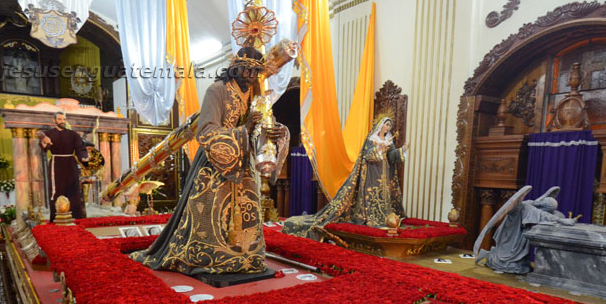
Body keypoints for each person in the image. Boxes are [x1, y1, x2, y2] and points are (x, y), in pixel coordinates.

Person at [135, 47, 289, 275]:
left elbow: (261, 127)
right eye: (245, 69)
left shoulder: (254, 94)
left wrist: (275, 132)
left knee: (247, 207)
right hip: (214, 164)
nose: (249, 75)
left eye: (254, 71)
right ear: (235, 67)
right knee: (211, 211)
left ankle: (245, 256)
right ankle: (208, 255)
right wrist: (244, 129)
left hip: (242, 163)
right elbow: (206, 131)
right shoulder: (217, 90)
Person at [283, 117, 407, 240]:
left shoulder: (388, 141)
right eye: (386, 125)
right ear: (380, 125)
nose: (388, 128)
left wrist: (402, 150)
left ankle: (384, 216)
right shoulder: (372, 139)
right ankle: (372, 217)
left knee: (384, 195)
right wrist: (378, 148)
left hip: (384, 173)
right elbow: (367, 156)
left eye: (389, 126)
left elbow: (392, 156)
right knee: (373, 195)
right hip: (372, 174)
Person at [474, 186, 577, 274]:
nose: (549, 212)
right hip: (511, 233)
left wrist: (560, 219)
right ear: (543, 206)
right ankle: (488, 255)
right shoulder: (527, 207)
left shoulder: (531, 205)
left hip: (518, 234)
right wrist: (562, 221)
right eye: (549, 210)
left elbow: (544, 215)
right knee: (507, 257)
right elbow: (543, 215)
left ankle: (491, 255)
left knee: (514, 257)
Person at [40, 111, 89, 220]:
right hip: (56, 165)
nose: (62, 121)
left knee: (73, 190)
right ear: (54, 120)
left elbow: (80, 148)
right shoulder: (49, 133)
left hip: (70, 164)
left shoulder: (73, 134)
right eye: (60, 119)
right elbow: (45, 148)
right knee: (57, 191)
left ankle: (76, 218)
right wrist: (45, 141)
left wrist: (83, 157)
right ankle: (56, 218)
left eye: (64, 119)